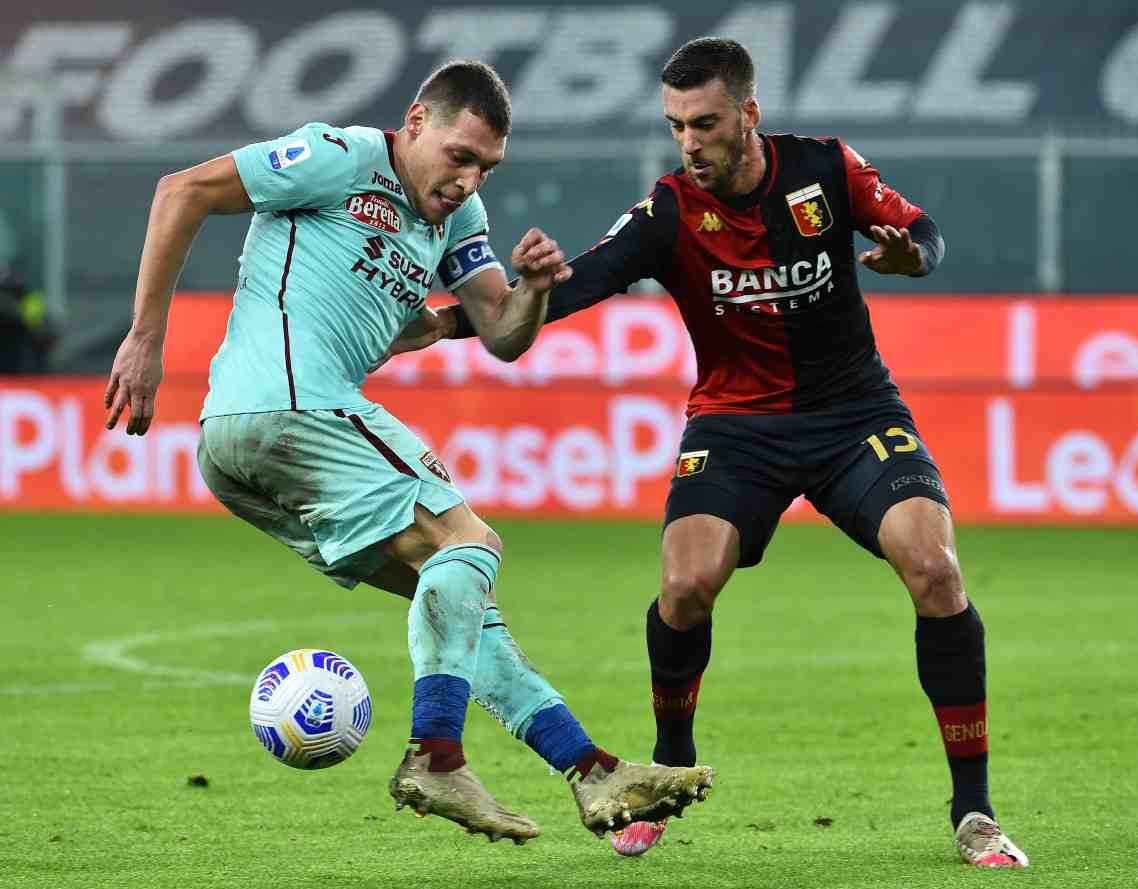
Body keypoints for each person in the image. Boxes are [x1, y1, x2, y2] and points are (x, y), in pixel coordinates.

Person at [424, 39, 1028, 866]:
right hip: (736, 426)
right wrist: (443, 324)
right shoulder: (670, 210)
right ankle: (669, 766)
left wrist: (909, 256)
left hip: (854, 414)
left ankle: (975, 811)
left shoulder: (824, 168)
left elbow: (921, 229)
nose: (689, 142)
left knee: (936, 568)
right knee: (684, 584)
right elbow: (577, 286)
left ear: (748, 114)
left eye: (704, 123)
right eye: (675, 125)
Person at [102, 60, 712, 845]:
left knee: (461, 602)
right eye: (459, 156)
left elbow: (499, 332)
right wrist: (148, 335)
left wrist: (530, 290)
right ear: (417, 122)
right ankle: (436, 754)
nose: (467, 179)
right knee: (472, 544)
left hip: (243, 447)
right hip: (293, 406)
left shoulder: (457, 219)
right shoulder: (340, 156)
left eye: (486, 166)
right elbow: (180, 191)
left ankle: (591, 769)